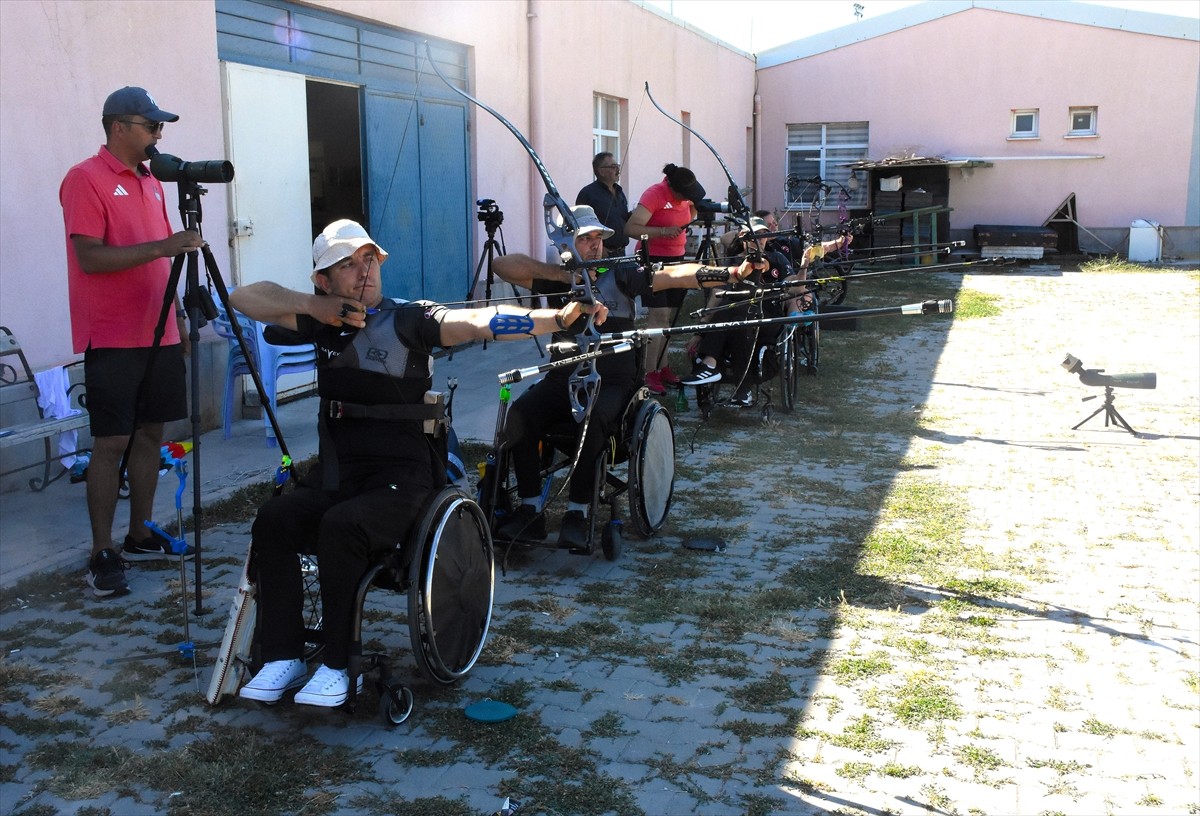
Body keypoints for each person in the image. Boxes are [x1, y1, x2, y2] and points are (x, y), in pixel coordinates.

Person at [230, 219, 604, 707]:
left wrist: (556, 320)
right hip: (340, 475)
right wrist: (310, 306)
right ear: (323, 281)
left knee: (341, 527)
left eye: (369, 259)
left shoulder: (408, 320)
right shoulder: (318, 318)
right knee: (275, 518)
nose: (364, 271)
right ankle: (283, 655)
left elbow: (476, 321)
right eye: (347, 265)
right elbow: (243, 297)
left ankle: (341, 665)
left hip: (402, 482)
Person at [492, 205, 764, 551]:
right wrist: (565, 277)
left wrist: (733, 273)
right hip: (563, 378)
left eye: (598, 238)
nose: (595, 245)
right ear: (566, 243)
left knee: (590, 421)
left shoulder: (620, 272)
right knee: (520, 415)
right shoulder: (557, 274)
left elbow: (676, 275)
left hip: (613, 380)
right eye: (585, 238)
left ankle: (578, 512)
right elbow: (502, 265)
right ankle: (530, 510)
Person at [60, 86, 205, 599]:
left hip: (160, 329)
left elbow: (165, 260)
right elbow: (91, 259)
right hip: (114, 336)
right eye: (151, 126)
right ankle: (103, 553)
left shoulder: (152, 182)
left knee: (150, 436)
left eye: (160, 127)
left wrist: (181, 321)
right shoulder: (85, 179)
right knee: (111, 442)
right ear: (119, 127)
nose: (158, 136)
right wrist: (164, 246)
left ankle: (140, 534)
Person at [681, 217, 797, 406]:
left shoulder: (776, 258)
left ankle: (711, 364)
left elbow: (794, 286)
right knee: (731, 310)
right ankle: (740, 388)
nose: (759, 239)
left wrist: (802, 268)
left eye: (763, 235)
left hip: (767, 314)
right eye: (753, 235)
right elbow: (716, 295)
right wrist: (700, 330)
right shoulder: (733, 262)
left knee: (734, 311)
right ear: (743, 237)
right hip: (736, 316)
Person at [624, 164, 706, 395]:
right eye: (686, 197)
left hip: (677, 258)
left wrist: (684, 224)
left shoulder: (684, 197)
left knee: (668, 317)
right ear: (675, 190)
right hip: (653, 261)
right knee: (657, 316)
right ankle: (649, 372)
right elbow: (630, 228)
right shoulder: (655, 195)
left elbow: (692, 211)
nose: (689, 199)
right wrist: (662, 231)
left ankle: (663, 366)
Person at [575, 152, 630, 258]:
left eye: (617, 166)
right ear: (601, 171)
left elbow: (621, 218)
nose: (618, 170)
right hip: (602, 254)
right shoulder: (588, 193)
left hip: (621, 254)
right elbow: (581, 225)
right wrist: (600, 247)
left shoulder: (619, 191)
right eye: (613, 167)